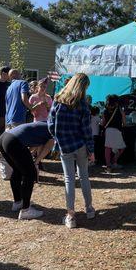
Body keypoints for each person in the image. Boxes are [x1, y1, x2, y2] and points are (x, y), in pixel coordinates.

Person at [48, 73, 95, 229]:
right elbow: (87, 130)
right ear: (82, 87)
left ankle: (70, 216)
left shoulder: (57, 100)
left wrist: (58, 138)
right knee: (84, 177)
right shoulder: (82, 104)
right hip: (80, 145)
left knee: (69, 179)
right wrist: (91, 149)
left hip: (64, 146)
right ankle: (89, 209)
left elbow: (50, 125)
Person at [0, 122, 54, 220]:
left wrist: (32, 156)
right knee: (30, 174)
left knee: (17, 170)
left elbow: (33, 141)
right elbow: (47, 148)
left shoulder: (45, 126)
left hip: (4, 139)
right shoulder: (54, 130)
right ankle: (26, 210)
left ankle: (18, 202)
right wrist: (36, 162)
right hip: (13, 142)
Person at [102, 95, 126, 173]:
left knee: (108, 148)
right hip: (117, 130)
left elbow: (103, 123)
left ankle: (108, 165)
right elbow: (124, 123)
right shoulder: (120, 110)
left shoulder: (105, 110)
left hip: (108, 130)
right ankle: (114, 162)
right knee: (121, 147)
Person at [120, 88, 136, 163]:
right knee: (133, 141)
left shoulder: (125, 96)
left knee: (125, 139)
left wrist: (121, 112)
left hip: (127, 120)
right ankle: (131, 157)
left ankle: (124, 157)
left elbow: (118, 102)